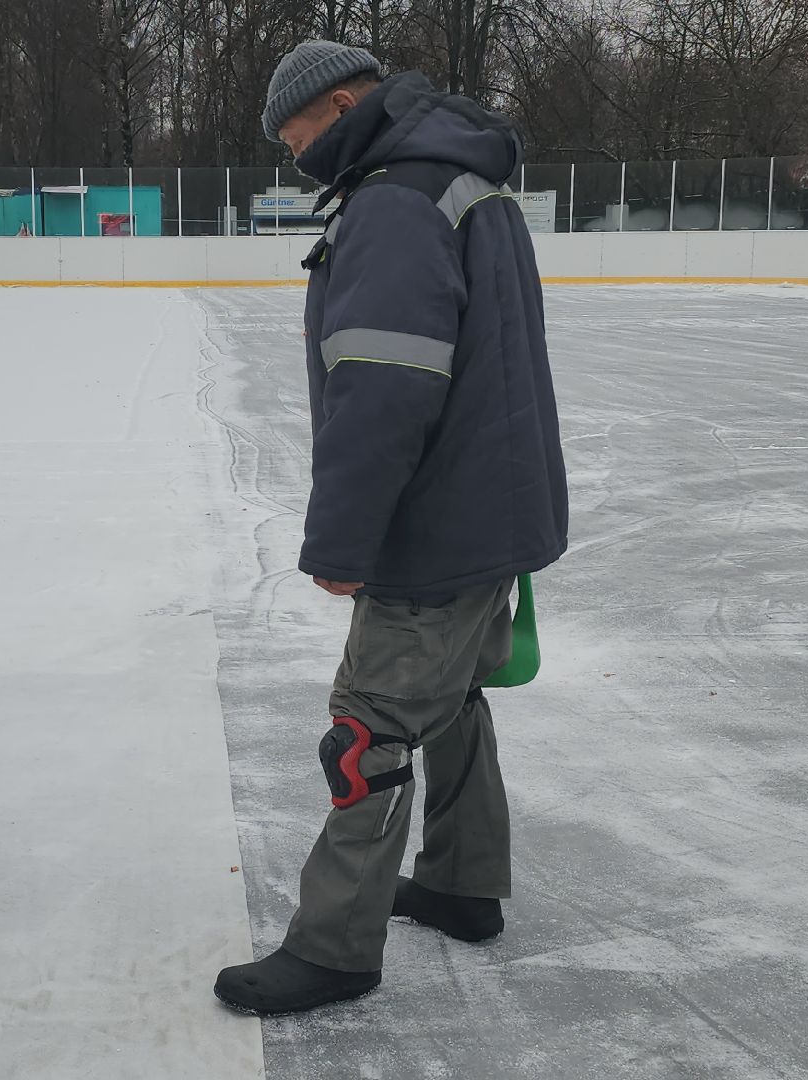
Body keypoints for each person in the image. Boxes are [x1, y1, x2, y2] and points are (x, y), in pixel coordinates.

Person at [213, 41, 569, 1015]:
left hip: (434, 522)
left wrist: (341, 541)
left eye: (298, 141)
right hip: (493, 505)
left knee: (365, 734)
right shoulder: (467, 182)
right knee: (451, 701)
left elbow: (383, 387)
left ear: (338, 105)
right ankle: (461, 885)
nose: (299, 164)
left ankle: (333, 950)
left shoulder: (395, 200)